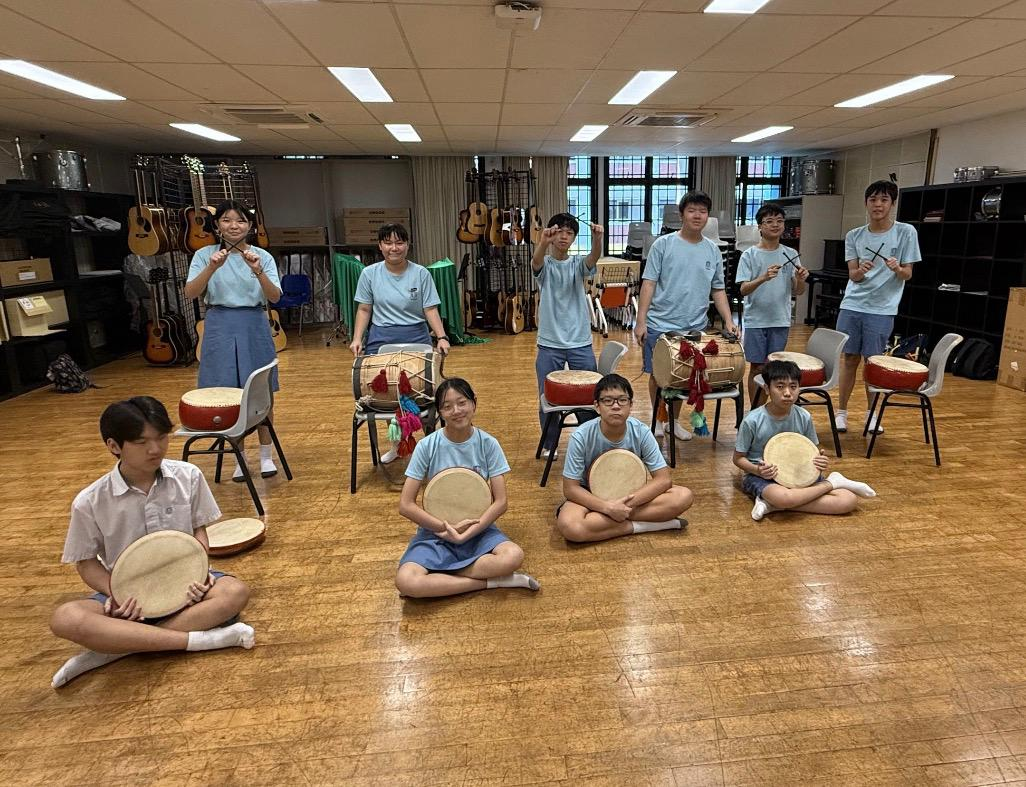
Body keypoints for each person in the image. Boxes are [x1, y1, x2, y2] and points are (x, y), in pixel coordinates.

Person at [49, 397, 254, 688]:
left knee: (235, 592)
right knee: (66, 619)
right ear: (114, 446)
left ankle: (117, 648)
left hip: (186, 585)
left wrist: (200, 571)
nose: (155, 449)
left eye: (161, 437)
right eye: (141, 442)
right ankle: (202, 640)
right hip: (128, 597)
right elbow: (85, 563)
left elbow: (199, 531)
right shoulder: (90, 501)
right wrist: (116, 594)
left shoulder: (188, 476)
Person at [395, 378, 540, 598]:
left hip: (478, 528)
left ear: (474, 403)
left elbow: (501, 502)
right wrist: (446, 529)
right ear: (440, 412)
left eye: (462, 403)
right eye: (447, 406)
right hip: (436, 531)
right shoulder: (427, 446)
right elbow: (405, 505)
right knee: (406, 581)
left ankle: (440, 576)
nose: (456, 411)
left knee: (513, 556)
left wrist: (467, 534)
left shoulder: (488, 444)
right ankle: (490, 583)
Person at [184, 200, 282, 481]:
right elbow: (190, 293)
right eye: (226, 220)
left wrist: (257, 270)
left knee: (262, 391)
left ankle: (266, 455)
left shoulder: (262, 256)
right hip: (219, 324)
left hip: (254, 323)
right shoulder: (204, 255)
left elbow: (275, 297)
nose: (234, 226)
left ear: (249, 226)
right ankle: (238, 456)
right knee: (226, 393)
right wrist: (212, 268)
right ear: (217, 226)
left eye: (240, 220)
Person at [635, 191, 738, 442]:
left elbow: (718, 289)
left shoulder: (712, 250)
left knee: (684, 376)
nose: (697, 216)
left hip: (695, 327)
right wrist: (640, 321)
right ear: (682, 214)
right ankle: (658, 419)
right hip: (661, 323)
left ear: (708, 216)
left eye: (702, 211)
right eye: (692, 210)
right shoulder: (663, 245)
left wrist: (728, 320)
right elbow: (649, 283)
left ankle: (672, 421)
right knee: (658, 375)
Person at [351, 223, 450, 463]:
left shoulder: (421, 273)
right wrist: (357, 339)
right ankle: (397, 445)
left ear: (407, 245)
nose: (394, 248)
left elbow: (430, 309)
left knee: (421, 395)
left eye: (399, 242)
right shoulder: (369, 274)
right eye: (388, 242)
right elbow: (364, 309)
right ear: (380, 246)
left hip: (416, 336)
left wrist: (441, 336)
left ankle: (428, 449)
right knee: (387, 394)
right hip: (381, 337)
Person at [733, 359, 877, 522]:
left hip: (799, 472)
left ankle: (773, 505)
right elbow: (738, 459)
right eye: (780, 387)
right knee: (782, 496)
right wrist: (757, 470)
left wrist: (820, 460)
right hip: (761, 476)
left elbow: (813, 452)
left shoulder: (804, 416)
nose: (787, 393)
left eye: (793, 387)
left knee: (848, 500)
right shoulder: (752, 420)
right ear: (767, 388)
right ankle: (832, 482)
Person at [556, 374, 693, 543]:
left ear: (631, 405)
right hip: (591, 495)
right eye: (608, 401)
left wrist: (622, 507)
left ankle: (605, 522)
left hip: (632, 495)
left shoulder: (641, 431)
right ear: (597, 406)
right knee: (570, 526)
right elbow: (571, 489)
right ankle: (644, 526)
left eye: (622, 400)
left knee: (683, 496)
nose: (616, 406)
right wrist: (607, 507)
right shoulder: (581, 436)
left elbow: (663, 480)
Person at [836, 180, 920, 434]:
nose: (878, 205)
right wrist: (860, 270)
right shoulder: (854, 235)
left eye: (884, 200)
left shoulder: (906, 232)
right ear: (866, 203)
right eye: (873, 200)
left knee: (873, 362)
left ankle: (872, 415)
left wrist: (897, 268)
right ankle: (841, 412)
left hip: (882, 309)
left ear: (892, 204)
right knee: (849, 359)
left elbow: (908, 274)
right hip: (852, 304)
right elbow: (853, 275)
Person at [531, 212, 604, 459]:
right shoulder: (546, 264)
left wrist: (597, 239)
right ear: (552, 234)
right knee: (548, 395)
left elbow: (593, 258)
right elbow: (536, 262)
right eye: (559, 231)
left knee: (589, 393)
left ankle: (589, 440)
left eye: (569, 232)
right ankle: (549, 444)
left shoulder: (577, 265)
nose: (564, 236)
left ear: (574, 238)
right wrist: (543, 241)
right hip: (549, 342)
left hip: (579, 341)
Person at [736, 202, 809, 407]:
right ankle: (756, 410)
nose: (775, 225)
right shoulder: (749, 254)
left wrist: (801, 279)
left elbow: (798, 291)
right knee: (757, 368)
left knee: (775, 369)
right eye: (769, 221)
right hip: (756, 320)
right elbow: (743, 290)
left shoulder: (790, 254)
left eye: (779, 221)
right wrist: (763, 278)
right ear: (760, 226)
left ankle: (772, 409)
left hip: (780, 320)